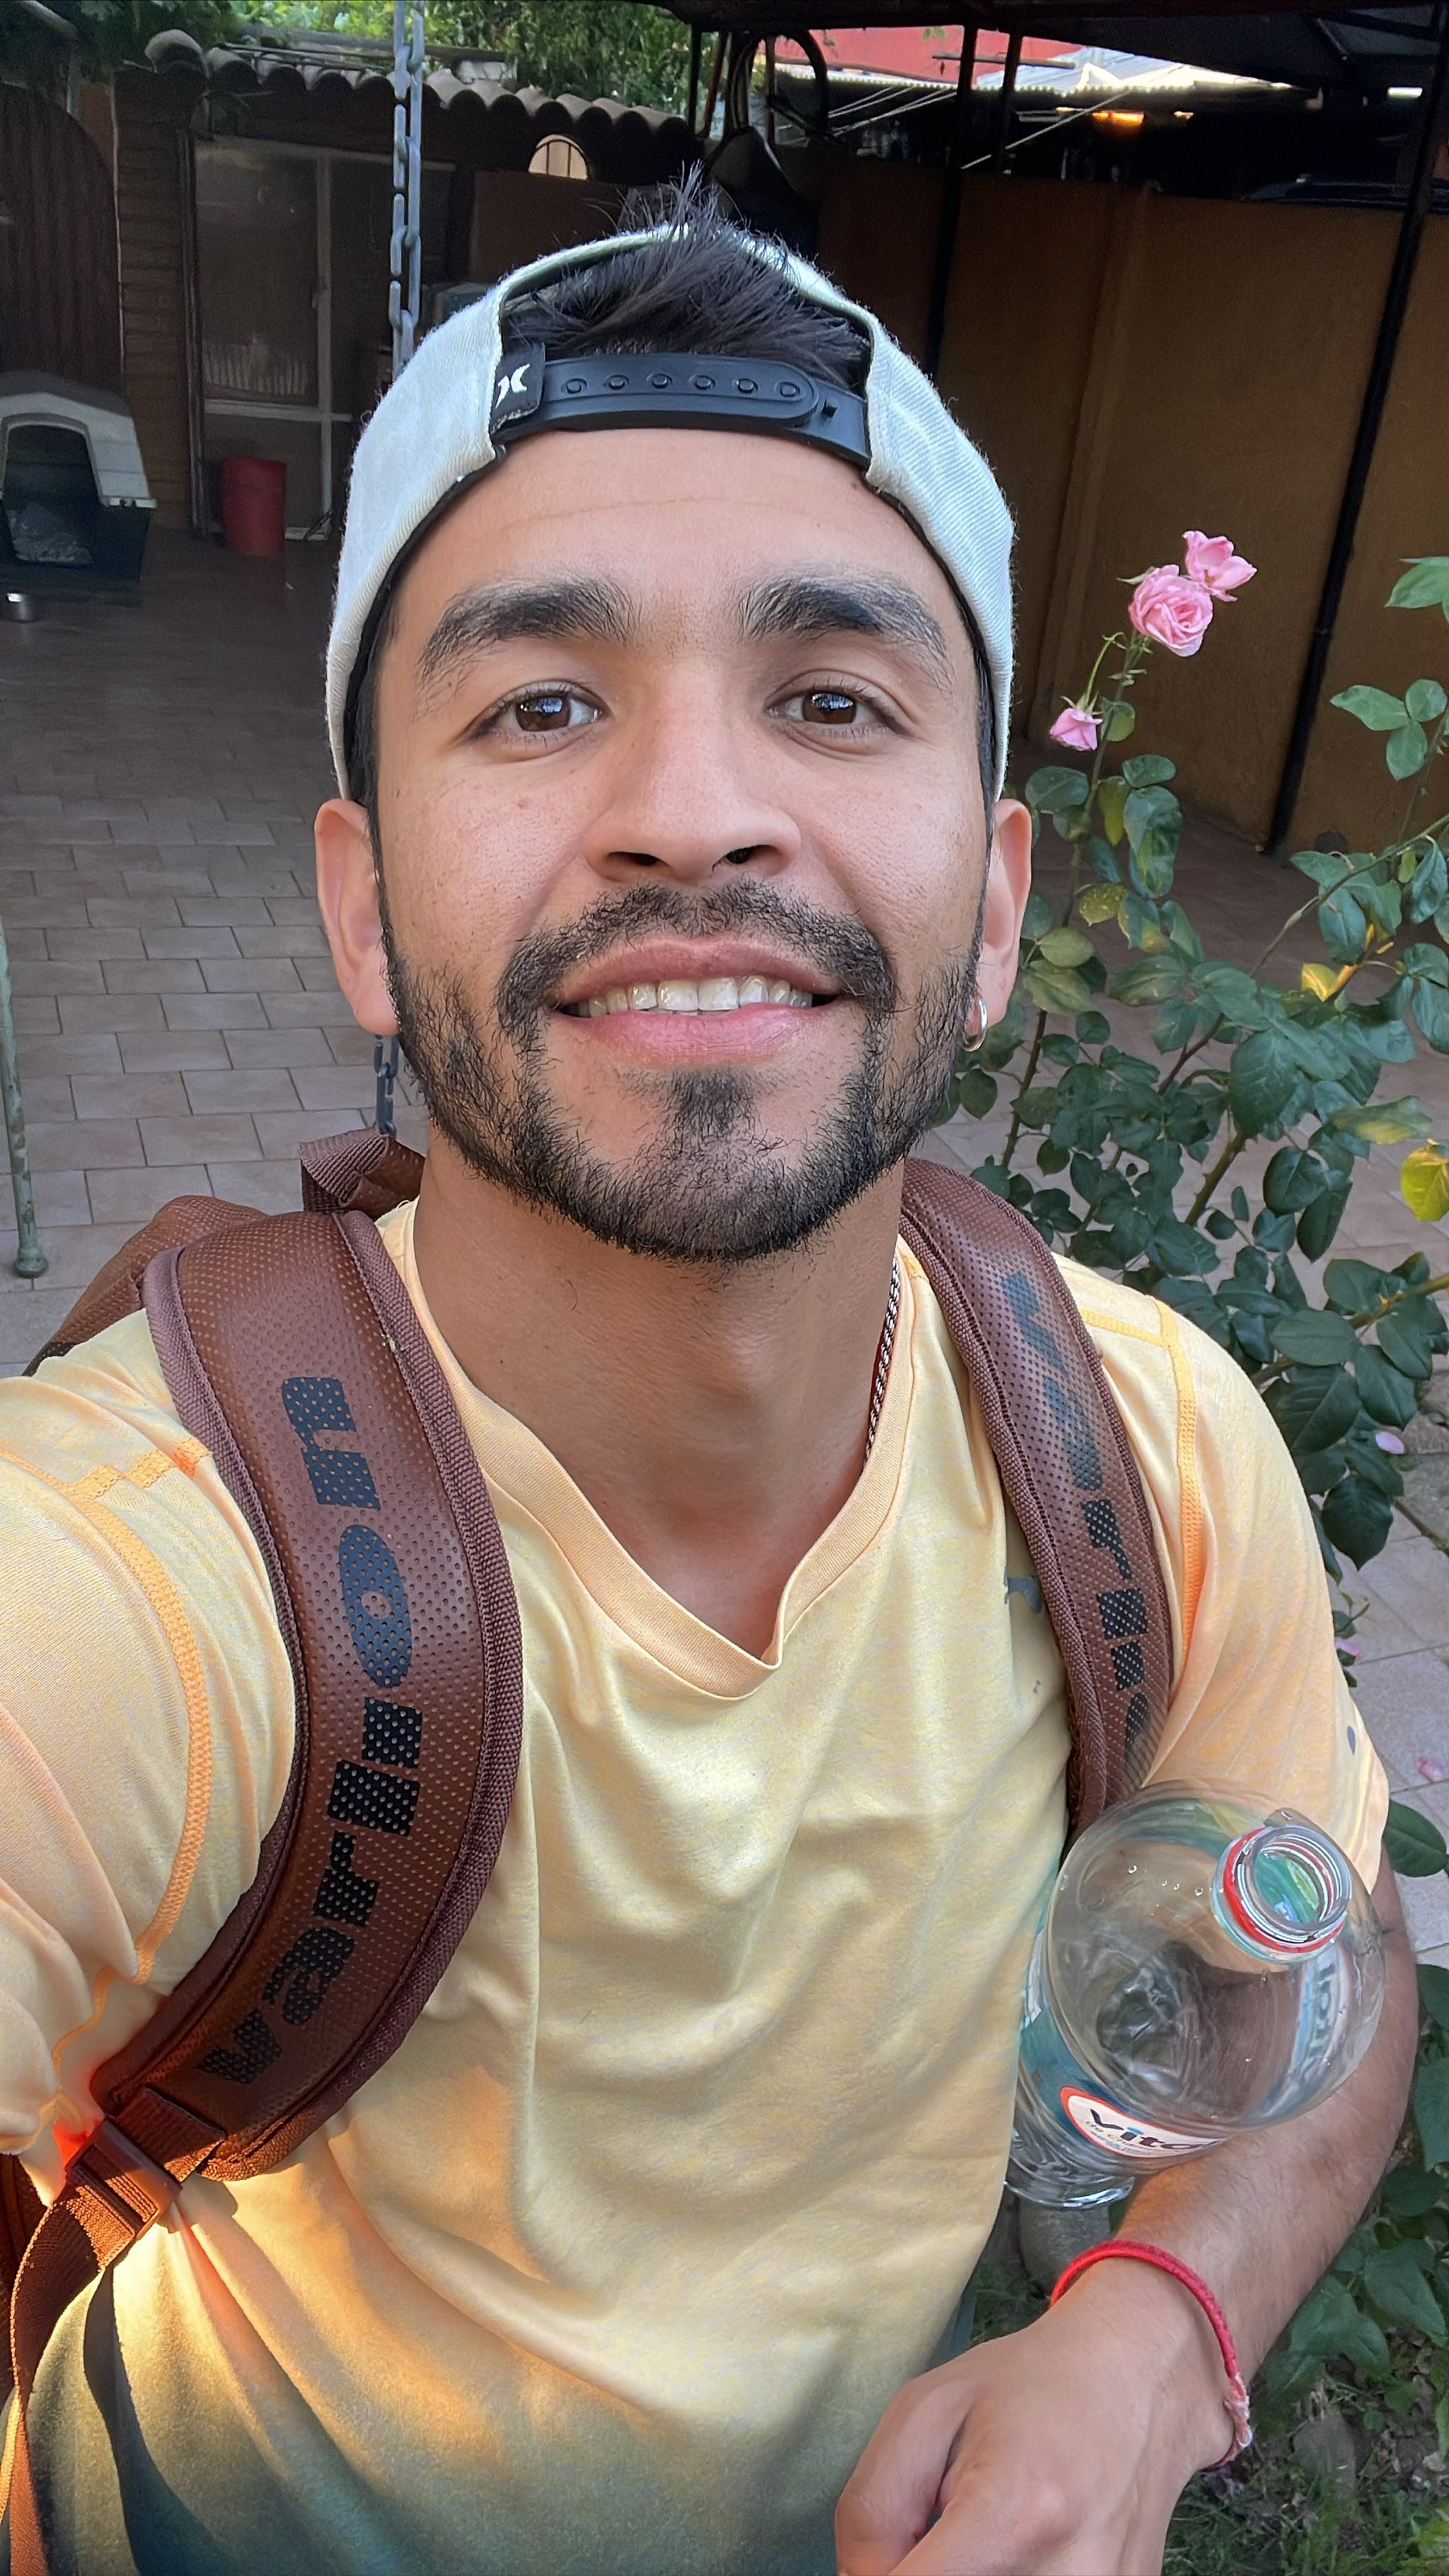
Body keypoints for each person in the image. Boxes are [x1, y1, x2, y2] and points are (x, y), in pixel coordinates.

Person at [0, 194, 1415, 2576]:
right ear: (361, 902)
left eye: (833, 698)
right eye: (540, 703)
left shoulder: (1145, 1452)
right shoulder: (123, 1578)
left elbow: (1327, 1944)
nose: (692, 806)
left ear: (995, 903)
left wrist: (1161, 2329)